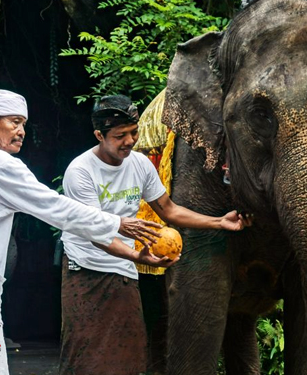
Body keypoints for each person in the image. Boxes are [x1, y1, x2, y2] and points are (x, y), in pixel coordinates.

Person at [0, 89, 176, 375]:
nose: (21, 131)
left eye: (23, 123)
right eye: (13, 122)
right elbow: (55, 207)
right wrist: (117, 223)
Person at [58, 94, 252, 375]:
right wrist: (139, 256)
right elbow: (97, 234)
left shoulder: (139, 164)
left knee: (129, 353)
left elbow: (169, 210)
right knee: (84, 353)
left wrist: (219, 222)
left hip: (123, 268)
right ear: (99, 135)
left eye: (134, 132)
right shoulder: (80, 172)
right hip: (84, 269)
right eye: (119, 135)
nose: (129, 141)